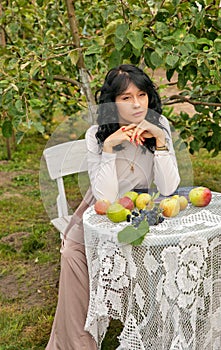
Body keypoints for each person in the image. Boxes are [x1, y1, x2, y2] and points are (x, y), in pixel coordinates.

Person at [46, 64, 180, 350]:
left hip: (144, 206)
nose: (136, 104)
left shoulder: (160, 125)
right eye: (126, 98)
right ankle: (78, 342)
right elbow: (104, 198)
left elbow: (168, 189)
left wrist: (160, 141)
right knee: (72, 251)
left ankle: (160, 332)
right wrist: (109, 148)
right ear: (112, 102)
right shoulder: (96, 134)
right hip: (101, 209)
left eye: (141, 95)